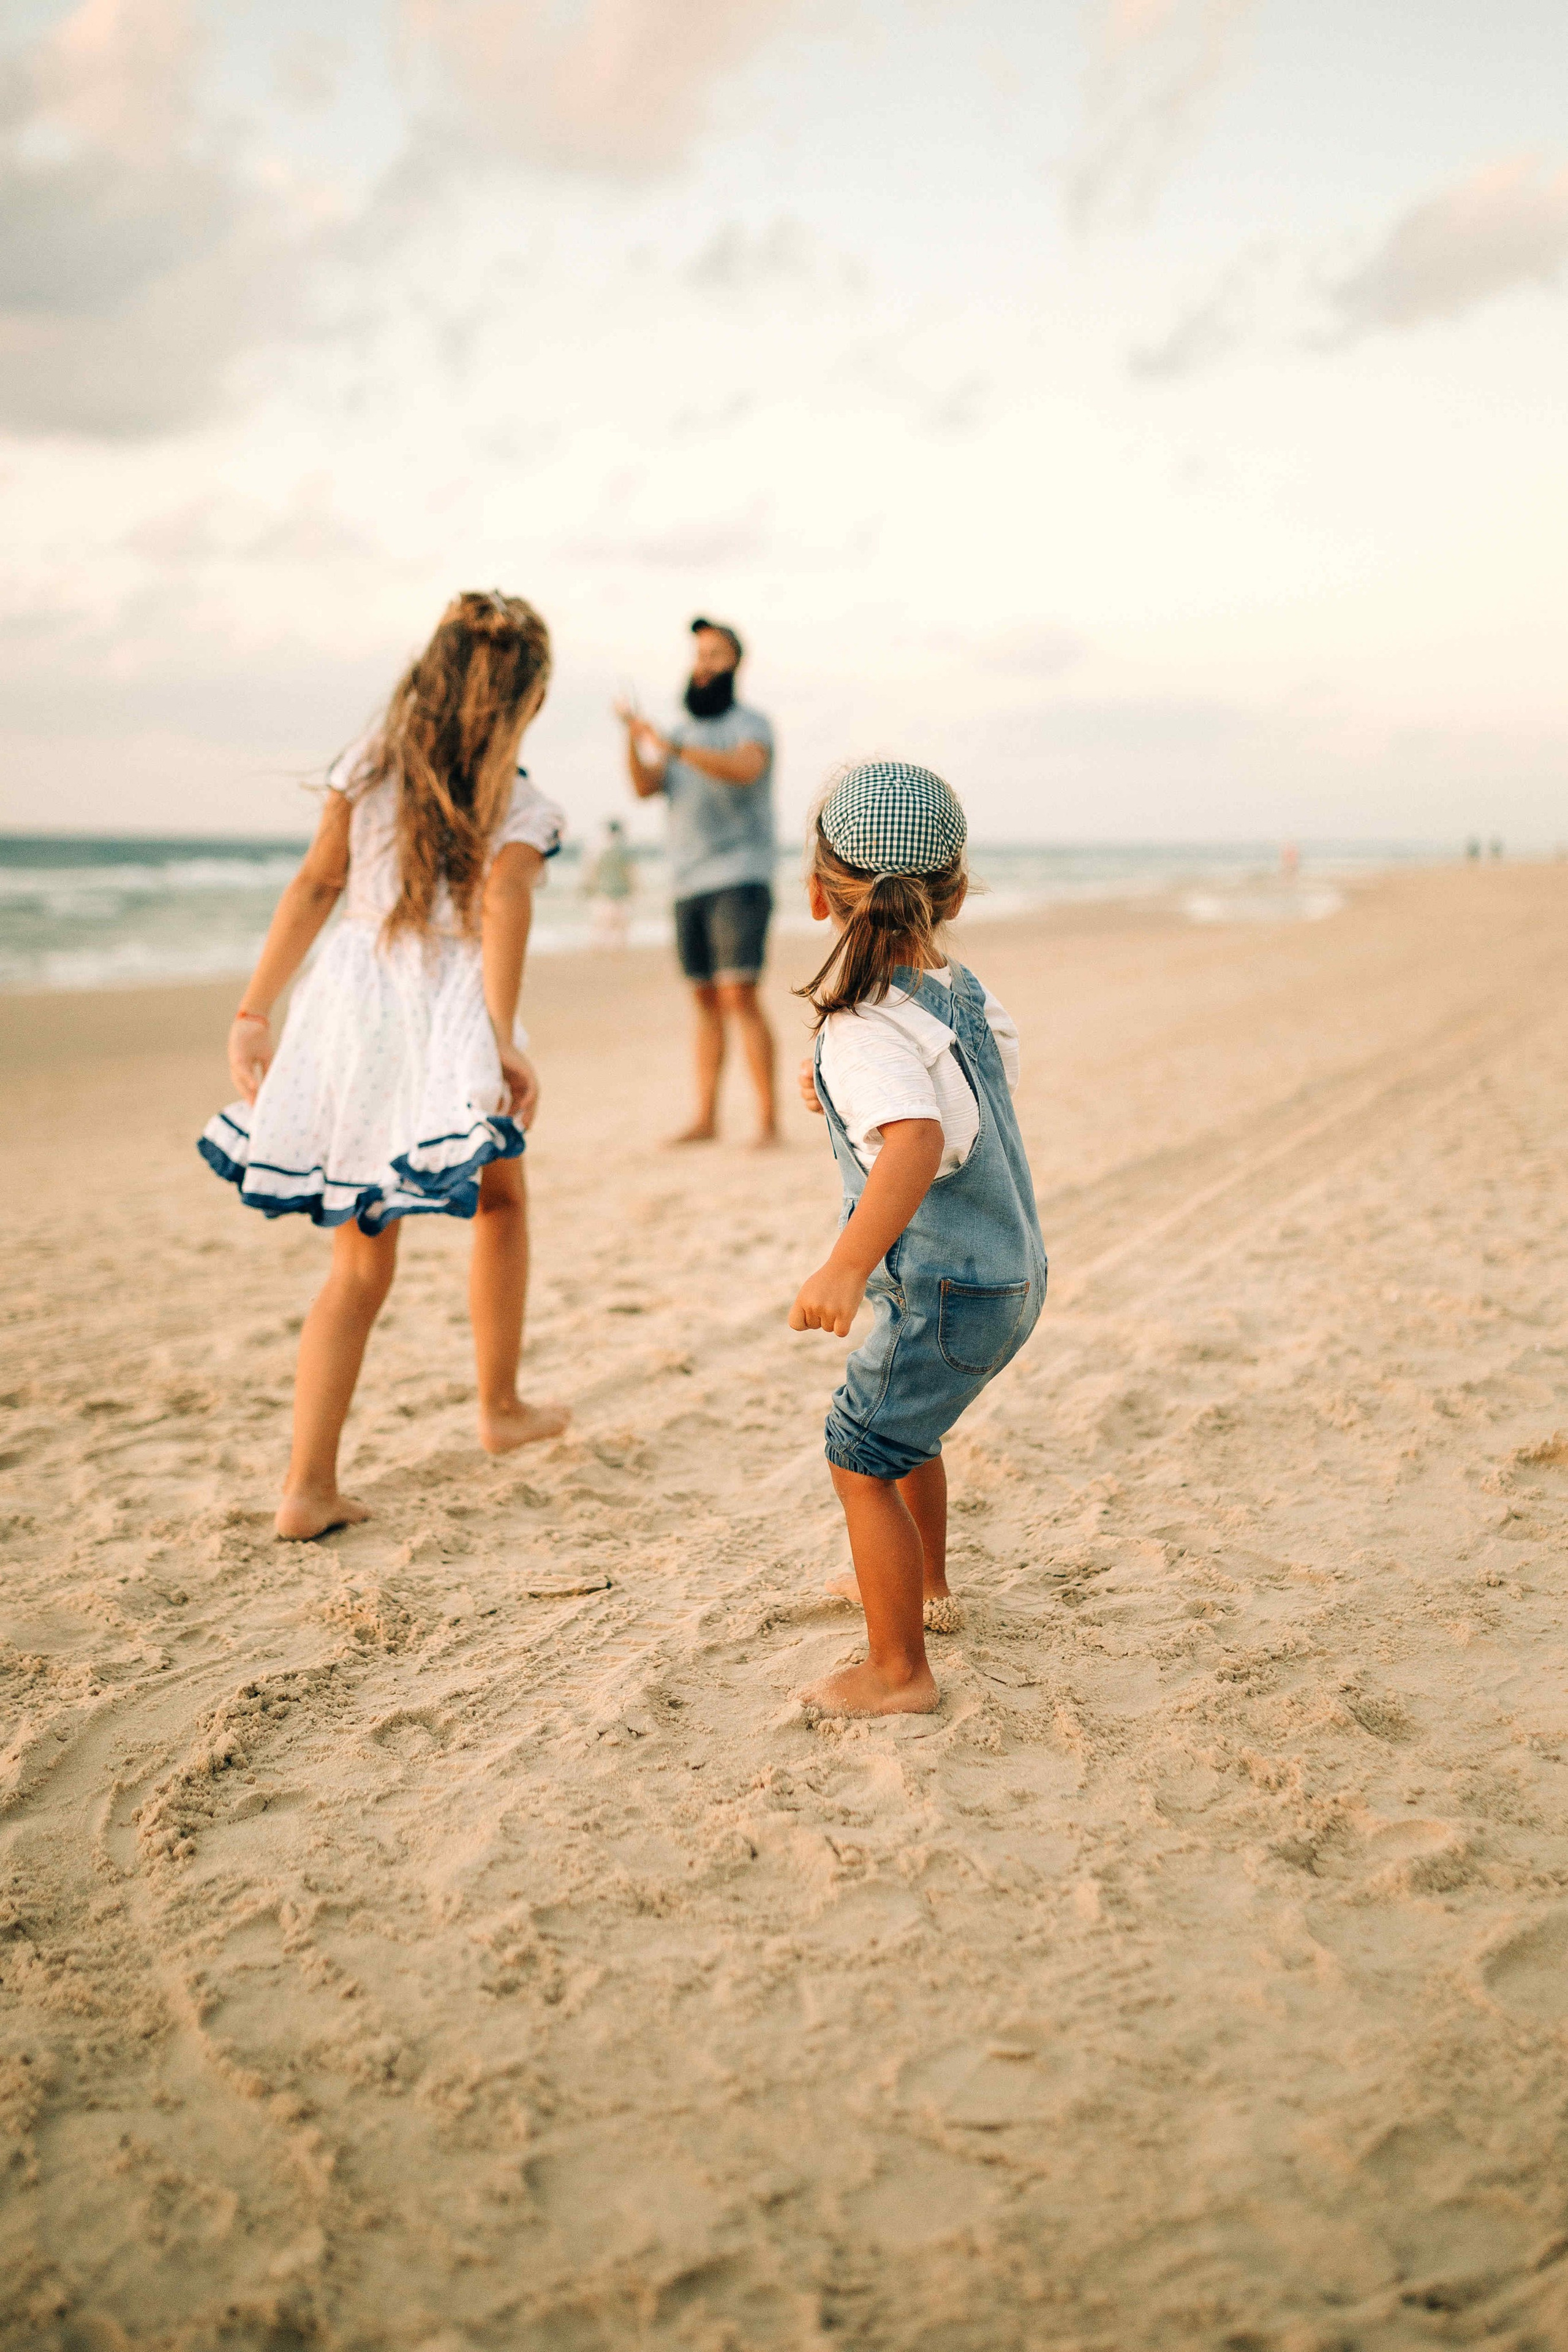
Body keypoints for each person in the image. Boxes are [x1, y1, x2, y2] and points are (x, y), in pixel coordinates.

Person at [198, 589, 569, 1541]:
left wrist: (253, 1009)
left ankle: (306, 1484)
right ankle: (498, 1407)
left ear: (428, 679)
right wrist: (498, 1037)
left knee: (358, 1263)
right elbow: (501, 918)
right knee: (502, 1200)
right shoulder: (520, 810)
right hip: (445, 1016)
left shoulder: (365, 769)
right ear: (524, 703)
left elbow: (318, 883)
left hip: (352, 1015)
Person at [788, 761, 1046, 1717]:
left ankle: (898, 1671)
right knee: (908, 1430)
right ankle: (927, 1586)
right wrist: (846, 1089)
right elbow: (966, 1093)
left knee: (858, 1451)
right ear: (957, 889)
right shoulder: (964, 995)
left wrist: (845, 1264)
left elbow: (921, 1137)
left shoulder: (863, 1024)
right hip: (1009, 1270)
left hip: (945, 1284)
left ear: (819, 893)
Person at [616, 618, 777, 1146]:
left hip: (740, 875)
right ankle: (706, 1119)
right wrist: (633, 739)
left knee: (740, 995)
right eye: (699, 654)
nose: (703, 664)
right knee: (705, 999)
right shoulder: (678, 735)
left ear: (735, 664)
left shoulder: (751, 724)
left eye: (715, 655)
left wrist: (671, 745)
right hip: (687, 882)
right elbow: (645, 788)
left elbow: (745, 769)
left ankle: (767, 1122)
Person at [582, 816, 635, 948]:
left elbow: (593, 870)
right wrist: (635, 887)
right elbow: (630, 871)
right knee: (621, 923)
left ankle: (599, 946)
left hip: (603, 890)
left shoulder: (600, 849)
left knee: (602, 922)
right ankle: (619, 947)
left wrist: (588, 887)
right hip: (620, 890)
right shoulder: (624, 849)